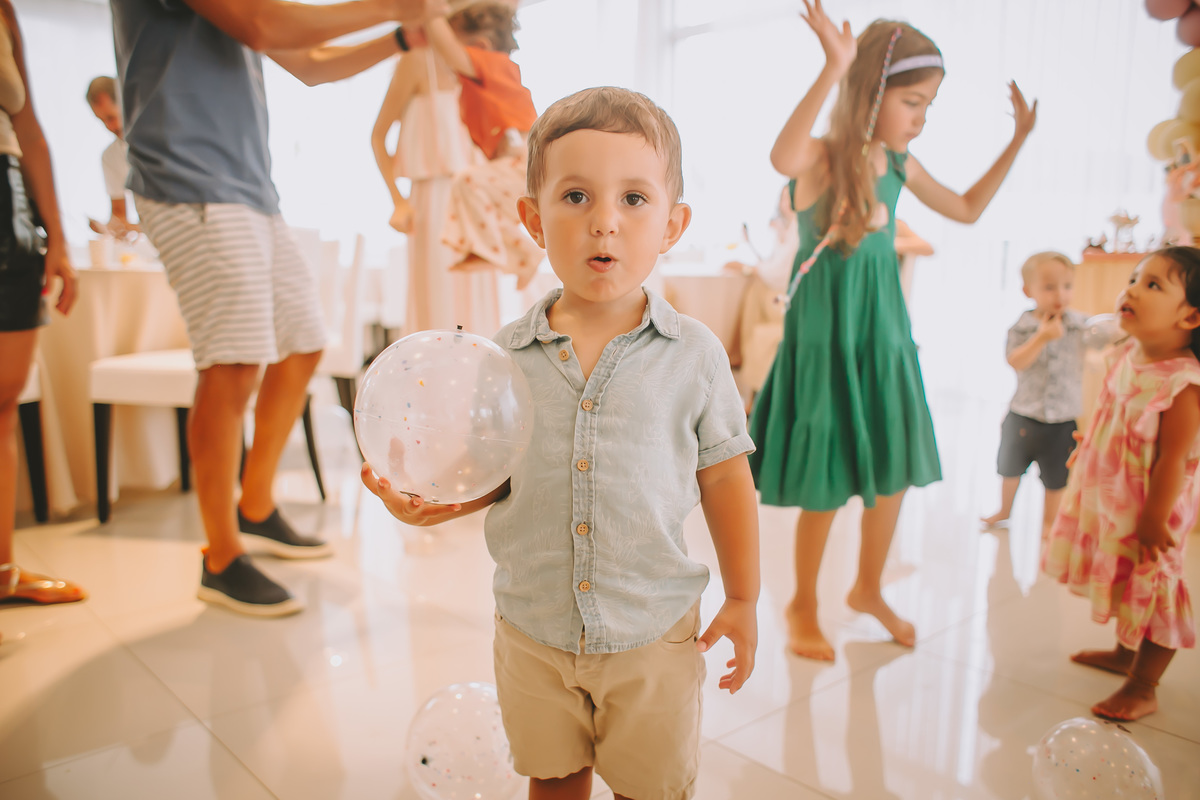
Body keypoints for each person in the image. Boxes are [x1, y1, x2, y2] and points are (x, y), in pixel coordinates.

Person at [363, 86, 760, 800]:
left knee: (652, 787)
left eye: (633, 200)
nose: (604, 223)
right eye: (576, 197)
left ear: (672, 224)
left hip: (653, 637)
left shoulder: (693, 354)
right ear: (531, 220)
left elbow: (728, 479)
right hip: (533, 633)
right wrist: (435, 503)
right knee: (551, 781)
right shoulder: (503, 358)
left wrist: (746, 596)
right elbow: (495, 470)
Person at [110, 0, 434, 617]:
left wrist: (401, 35)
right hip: (187, 180)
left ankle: (253, 506)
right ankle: (220, 556)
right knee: (232, 364)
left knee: (304, 341)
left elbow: (308, 63)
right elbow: (268, 25)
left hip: (250, 188)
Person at [748, 0, 1037, 661]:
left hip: (883, 339)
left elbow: (965, 209)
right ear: (871, 94)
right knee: (828, 476)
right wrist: (834, 66)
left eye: (929, 105)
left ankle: (868, 588)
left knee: (893, 466)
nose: (922, 118)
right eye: (913, 101)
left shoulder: (897, 165)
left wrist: (1016, 141)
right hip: (827, 344)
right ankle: (801, 602)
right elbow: (779, 154)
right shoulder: (821, 159)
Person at [1043, 246, 1200, 722]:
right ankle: (1123, 652)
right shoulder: (1128, 353)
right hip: (1115, 495)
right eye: (1134, 278)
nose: (1131, 289)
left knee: (1152, 583)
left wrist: (1155, 517)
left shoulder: (1183, 384)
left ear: (1191, 316)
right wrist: (1089, 443)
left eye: (1153, 285)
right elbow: (1113, 410)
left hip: (1153, 504)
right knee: (1122, 571)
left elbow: (1174, 457)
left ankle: (1143, 683)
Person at [0, 0, 82, 619]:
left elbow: (27, 127)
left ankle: (1, 572)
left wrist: (56, 234)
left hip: (9, 202)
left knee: (3, 400)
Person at [371, 17, 500, 335]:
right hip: (433, 202)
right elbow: (378, 137)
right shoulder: (417, 62)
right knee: (439, 300)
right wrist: (397, 201)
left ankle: (477, 381)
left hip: (479, 200)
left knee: (478, 302)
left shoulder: (481, 63)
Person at [424, 1, 543, 289]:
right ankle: (526, 255)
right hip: (517, 159)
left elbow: (450, 52)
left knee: (468, 183)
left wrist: (428, 13)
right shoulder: (487, 77)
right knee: (479, 203)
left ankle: (486, 251)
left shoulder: (491, 64)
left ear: (480, 44)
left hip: (523, 157)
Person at [981, 252, 1087, 533]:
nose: (1060, 295)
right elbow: (1015, 361)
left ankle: (1049, 523)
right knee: (1010, 467)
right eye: (1049, 287)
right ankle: (1004, 510)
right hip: (1024, 414)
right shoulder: (1023, 327)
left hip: (1063, 418)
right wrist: (1041, 337)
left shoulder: (1080, 325)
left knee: (1056, 477)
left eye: (1067, 286)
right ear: (1029, 291)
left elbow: (1106, 342)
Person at [85, 76, 139, 238]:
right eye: (102, 121)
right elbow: (119, 216)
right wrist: (107, 229)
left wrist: (136, 228)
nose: (109, 127)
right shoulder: (110, 157)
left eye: (111, 117)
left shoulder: (159, 141)